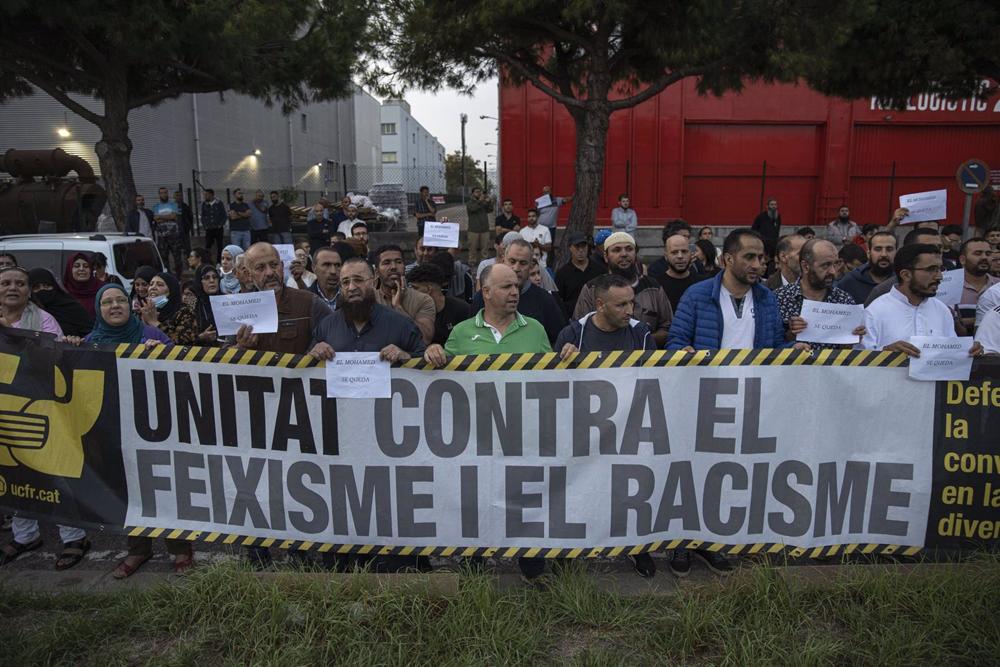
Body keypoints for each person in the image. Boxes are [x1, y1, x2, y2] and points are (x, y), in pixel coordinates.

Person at [72, 284, 181, 578]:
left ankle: (182, 551)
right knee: (130, 493)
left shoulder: (151, 335)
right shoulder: (90, 342)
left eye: (121, 299)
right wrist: (69, 350)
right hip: (115, 433)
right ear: (98, 309)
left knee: (166, 490)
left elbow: (184, 368)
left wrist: (164, 354)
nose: (115, 306)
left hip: (156, 430)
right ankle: (138, 551)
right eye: (107, 302)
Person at [0, 267, 91, 571]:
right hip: (5, 412)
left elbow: (52, 358)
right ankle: (25, 536)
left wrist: (12, 338)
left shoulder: (42, 320)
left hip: (40, 406)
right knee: (13, 474)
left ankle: (74, 537)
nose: (13, 288)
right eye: (6, 283)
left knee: (54, 473)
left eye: (20, 284)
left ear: (29, 291)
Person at [667, 229, 801, 352]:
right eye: (749, 257)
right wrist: (683, 351)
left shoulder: (767, 298)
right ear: (728, 259)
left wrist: (792, 347)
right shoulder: (696, 295)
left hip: (755, 378)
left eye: (760, 258)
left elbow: (776, 345)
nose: (756, 265)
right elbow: (675, 341)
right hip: (709, 377)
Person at [862, 244, 982, 359]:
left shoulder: (942, 310)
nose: (939, 277)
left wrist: (969, 352)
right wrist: (886, 353)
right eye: (931, 270)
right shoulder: (874, 312)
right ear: (906, 275)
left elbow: (951, 354)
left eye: (940, 269)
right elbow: (858, 360)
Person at [574, 232, 673, 347]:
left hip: (645, 359)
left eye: (629, 249)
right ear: (606, 257)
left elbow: (668, 327)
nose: (624, 254)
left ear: (635, 254)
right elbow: (579, 329)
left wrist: (642, 339)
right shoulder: (592, 289)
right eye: (616, 250)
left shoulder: (653, 287)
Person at [472, 238, 565, 344]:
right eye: (512, 261)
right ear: (503, 261)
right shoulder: (484, 296)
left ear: (530, 266)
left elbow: (559, 341)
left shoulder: (545, 300)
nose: (516, 268)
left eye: (523, 263)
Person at [776, 239, 864, 350]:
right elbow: (771, 344)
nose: (832, 271)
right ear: (805, 266)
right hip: (794, 366)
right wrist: (791, 335)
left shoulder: (844, 300)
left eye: (835, 264)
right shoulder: (781, 298)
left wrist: (852, 338)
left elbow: (847, 350)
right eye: (825, 265)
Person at [861, 228, 944, 306]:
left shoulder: (941, 309)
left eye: (939, 247)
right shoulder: (881, 295)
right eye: (927, 248)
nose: (935, 252)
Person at [372, 244, 436, 344]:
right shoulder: (369, 299)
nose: (393, 267)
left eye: (398, 262)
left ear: (404, 268)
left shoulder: (423, 300)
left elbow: (425, 338)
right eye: (386, 263)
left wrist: (398, 307)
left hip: (412, 358)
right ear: (377, 272)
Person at [405, 263, 472, 345]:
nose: (412, 292)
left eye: (415, 288)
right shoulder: (413, 311)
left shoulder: (462, 309)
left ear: (428, 289)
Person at [836, 231, 897, 305]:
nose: (884, 254)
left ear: (896, 253)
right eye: (878, 249)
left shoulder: (904, 282)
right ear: (869, 253)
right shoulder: (849, 282)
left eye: (889, 249)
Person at [27, 268, 92, 336]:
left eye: (47, 286)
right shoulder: (26, 311)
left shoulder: (71, 307)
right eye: (36, 287)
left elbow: (90, 334)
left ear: (54, 286)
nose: (42, 290)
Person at [140, 272, 198, 345]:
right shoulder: (144, 311)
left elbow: (184, 342)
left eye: (160, 285)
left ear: (171, 290)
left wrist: (154, 323)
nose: (153, 287)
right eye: (151, 284)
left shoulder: (184, 312)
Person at [955, 237, 999, 334]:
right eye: (978, 253)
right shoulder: (950, 286)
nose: (984, 257)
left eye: (988, 254)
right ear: (962, 260)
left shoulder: (998, 286)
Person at [554, 232, 604, 318]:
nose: (580, 250)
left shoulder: (600, 270)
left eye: (583, 246)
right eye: (577, 247)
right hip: (572, 319)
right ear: (570, 248)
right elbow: (558, 300)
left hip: (597, 318)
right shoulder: (562, 273)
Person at [654, 233, 705, 311]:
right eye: (674, 252)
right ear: (666, 256)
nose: (680, 256)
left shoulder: (702, 284)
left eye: (684, 251)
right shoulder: (656, 286)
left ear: (691, 254)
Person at [151, 186, 184, 275]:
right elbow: (156, 219)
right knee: (163, 257)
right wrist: (168, 217)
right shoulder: (156, 206)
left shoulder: (173, 205)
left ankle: (179, 276)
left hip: (174, 235)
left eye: (165, 192)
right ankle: (167, 275)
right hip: (162, 236)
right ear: (159, 195)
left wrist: (161, 217)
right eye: (161, 193)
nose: (164, 194)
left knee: (177, 256)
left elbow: (174, 216)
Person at [62, 252, 103, 321]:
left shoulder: (103, 289)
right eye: (77, 266)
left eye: (86, 266)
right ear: (69, 269)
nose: (81, 269)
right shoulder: (63, 292)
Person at [192, 264, 221, 345]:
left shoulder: (227, 301)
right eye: (206, 278)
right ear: (199, 282)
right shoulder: (193, 304)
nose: (212, 280)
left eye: (215, 277)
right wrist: (201, 337)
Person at [466, 187, 494, 265]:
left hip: (485, 229)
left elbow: (490, 210)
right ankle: (472, 262)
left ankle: (484, 263)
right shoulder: (469, 203)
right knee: (472, 249)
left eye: (480, 192)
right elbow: (472, 209)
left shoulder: (483, 202)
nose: (479, 193)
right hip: (473, 230)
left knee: (485, 249)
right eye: (477, 192)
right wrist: (480, 201)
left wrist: (489, 202)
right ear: (472, 194)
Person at [309, 245, 343, 310]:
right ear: (314, 268)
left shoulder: (351, 297)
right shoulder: (305, 299)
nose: (333, 271)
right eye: (327, 265)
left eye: (337, 265)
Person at [200, 188, 228, 262]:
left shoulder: (219, 203)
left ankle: (219, 261)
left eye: (206, 195)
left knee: (220, 246)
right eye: (204, 195)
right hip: (209, 228)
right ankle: (208, 261)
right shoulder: (204, 204)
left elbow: (224, 215)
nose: (205, 196)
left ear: (211, 195)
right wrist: (205, 225)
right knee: (208, 246)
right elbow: (203, 216)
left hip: (218, 228)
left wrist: (220, 224)